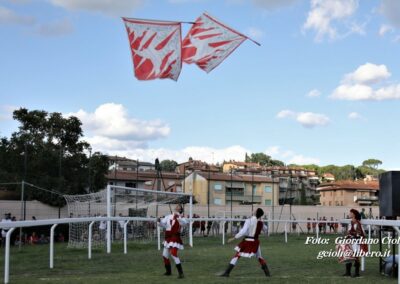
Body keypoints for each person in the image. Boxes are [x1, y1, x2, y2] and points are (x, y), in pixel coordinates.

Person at [220, 208, 270, 277]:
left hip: (247, 241)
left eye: (255, 210)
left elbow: (243, 232)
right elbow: (266, 229)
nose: (254, 211)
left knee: (237, 255)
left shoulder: (248, 220)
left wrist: (234, 238)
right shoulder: (261, 223)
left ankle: (227, 273)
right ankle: (267, 274)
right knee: (259, 257)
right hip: (255, 242)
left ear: (256, 213)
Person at [158, 204, 187, 279]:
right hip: (168, 237)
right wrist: (159, 221)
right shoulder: (168, 216)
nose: (177, 207)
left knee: (173, 254)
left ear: (180, 210)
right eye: (176, 206)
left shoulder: (182, 217)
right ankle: (168, 272)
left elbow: (184, 223)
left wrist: (179, 218)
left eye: (179, 207)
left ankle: (181, 273)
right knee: (165, 255)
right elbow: (163, 225)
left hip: (175, 237)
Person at [341, 209, 367, 277]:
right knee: (348, 256)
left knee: (355, 257)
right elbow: (349, 232)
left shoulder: (358, 223)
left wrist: (354, 235)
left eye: (351, 212)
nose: (349, 213)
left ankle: (356, 273)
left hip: (356, 242)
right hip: (350, 241)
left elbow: (362, 233)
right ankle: (348, 272)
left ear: (354, 214)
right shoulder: (351, 222)